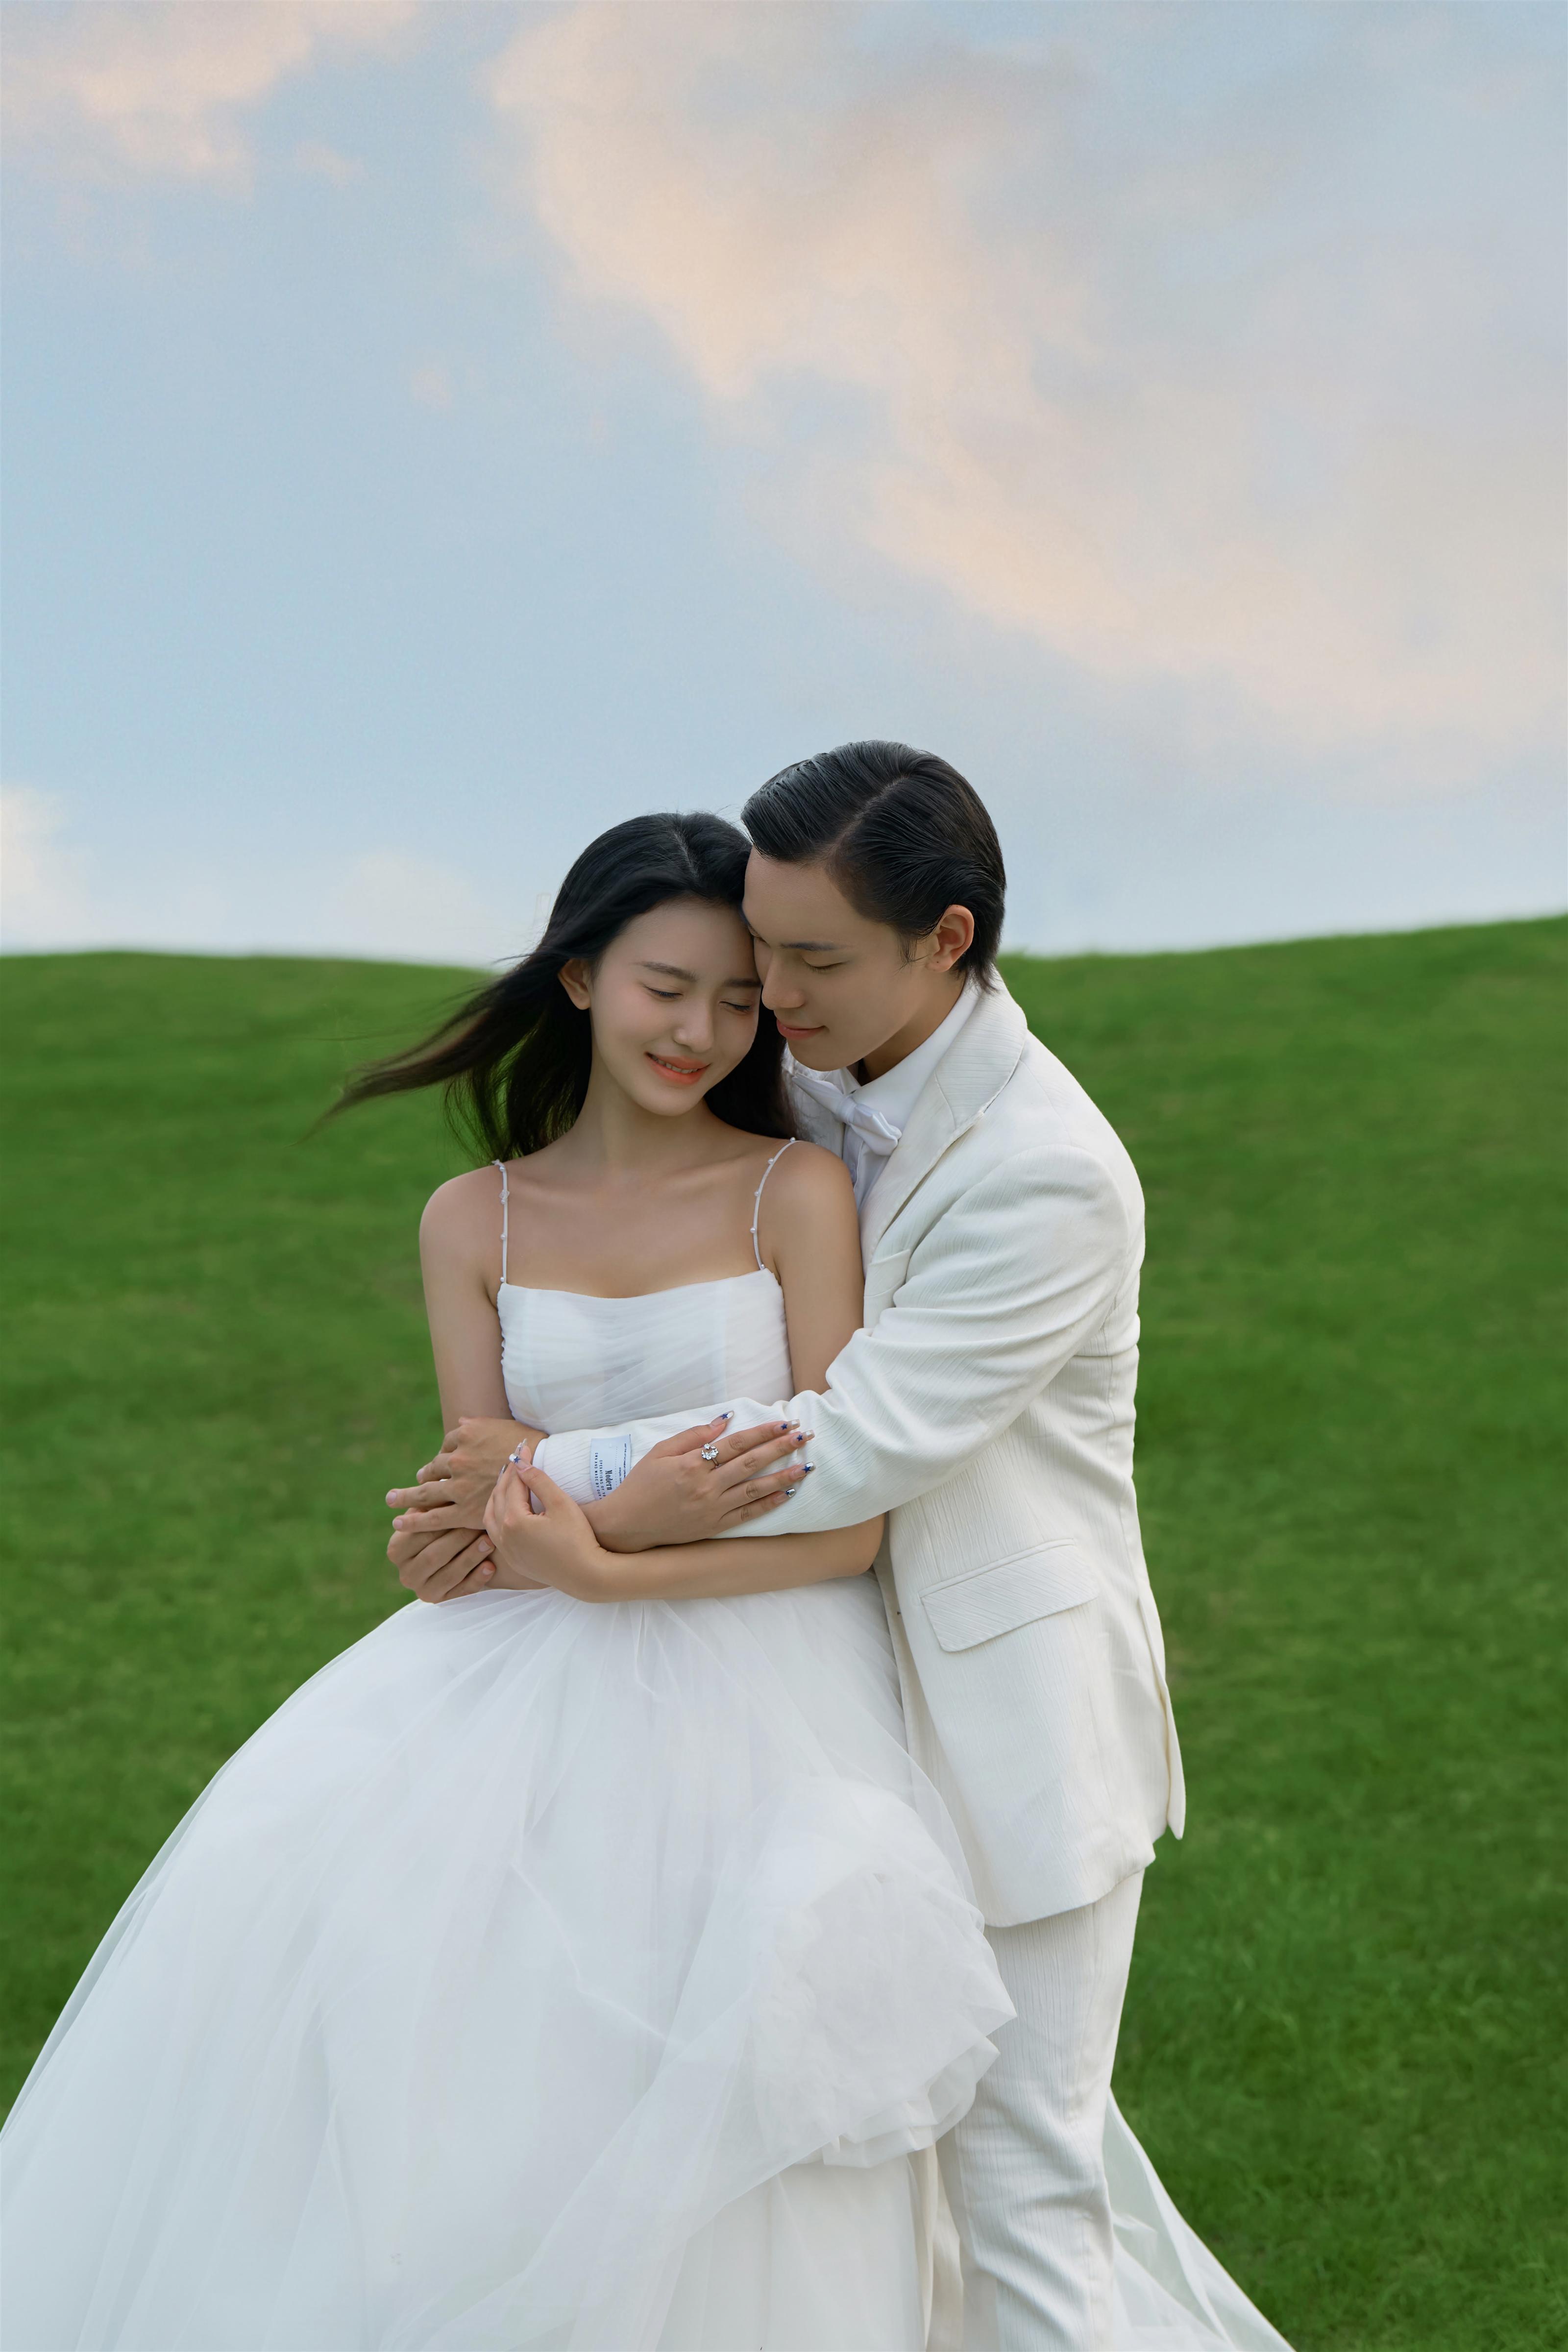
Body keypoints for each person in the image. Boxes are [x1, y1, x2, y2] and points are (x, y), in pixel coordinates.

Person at [0, 812, 1015, 2351]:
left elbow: (847, 1530)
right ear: (581, 976)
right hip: (519, 1690)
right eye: (666, 987)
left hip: (770, 1689)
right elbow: (487, 1490)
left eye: (740, 1000)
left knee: (747, 2083)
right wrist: (458, 1539)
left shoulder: (796, 1193)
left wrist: (605, 1550)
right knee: (467, 2066)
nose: (701, 1030)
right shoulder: (472, 1218)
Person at [389, 744, 1295, 2352]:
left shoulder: (1045, 1172)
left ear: (945, 942)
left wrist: (538, 1481)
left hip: (1003, 1724)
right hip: (796, 1712)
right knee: (782, 2176)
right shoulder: (802, 1075)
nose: (769, 1003)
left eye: (806, 962)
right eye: (760, 952)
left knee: (1024, 2185)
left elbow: (848, 1442)